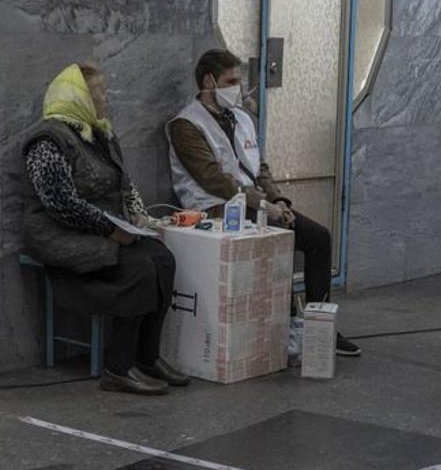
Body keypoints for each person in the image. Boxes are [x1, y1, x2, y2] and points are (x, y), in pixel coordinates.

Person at [167, 49, 361, 357]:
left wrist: (278, 199)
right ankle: (279, 330)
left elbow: (260, 167)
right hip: (217, 207)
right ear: (208, 81)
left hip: (255, 203)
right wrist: (264, 207)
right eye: (231, 81)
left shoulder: (242, 118)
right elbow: (215, 180)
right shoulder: (186, 125)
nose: (239, 90)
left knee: (318, 237)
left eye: (240, 82)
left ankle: (320, 329)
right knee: (280, 237)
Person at [23, 63, 186, 396]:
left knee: (162, 259)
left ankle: (147, 357)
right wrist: (110, 230)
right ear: (79, 95)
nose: (105, 97)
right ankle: (118, 368)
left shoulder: (99, 133)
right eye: (99, 90)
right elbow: (60, 203)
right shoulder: (47, 140)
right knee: (139, 269)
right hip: (59, 235)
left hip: (104, 229)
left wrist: (140, 218)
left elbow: (124, 183)